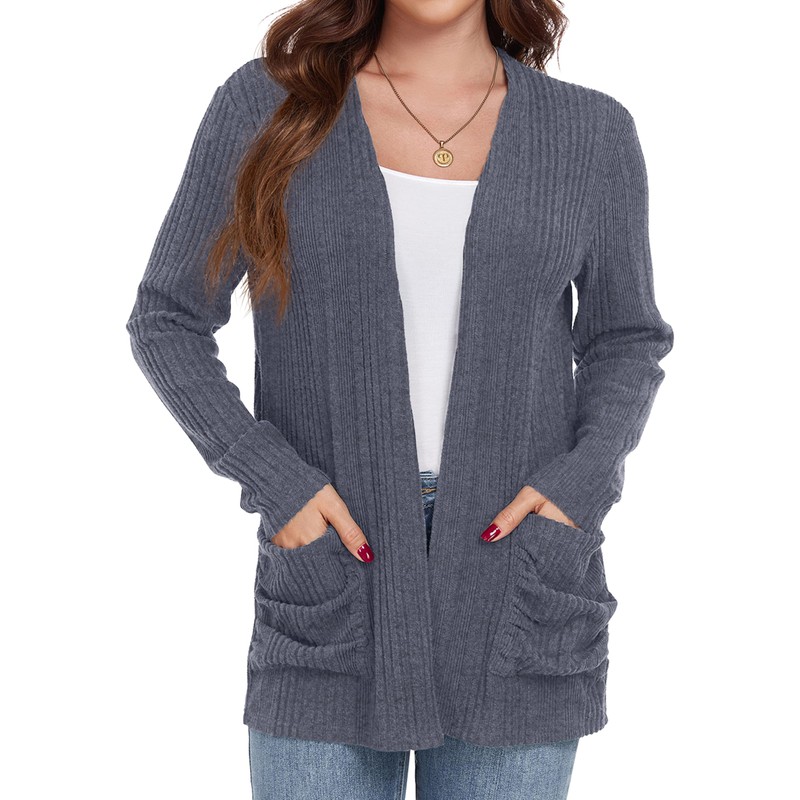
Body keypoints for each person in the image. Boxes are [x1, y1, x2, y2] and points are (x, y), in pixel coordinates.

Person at [126, 1, 674, 797]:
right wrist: (278, 484)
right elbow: (167, 319)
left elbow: (627, 338)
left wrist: (580, 486)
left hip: (518, 574)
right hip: (332, 570)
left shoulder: (590, 132)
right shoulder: (269, 105)